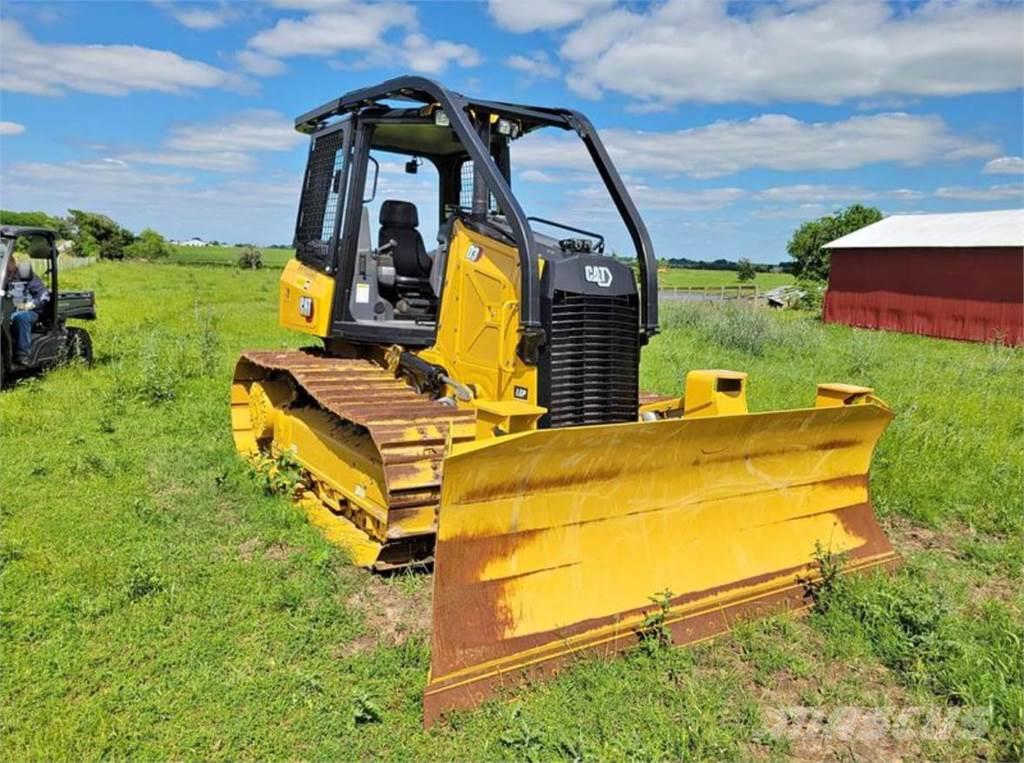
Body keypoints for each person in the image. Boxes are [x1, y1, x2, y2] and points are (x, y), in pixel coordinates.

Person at [5, 257, 50, 365]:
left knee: (21, 317)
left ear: (12, 263)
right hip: (7, 311)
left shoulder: (26, 275)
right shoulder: (3, 277)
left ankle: (23, 354)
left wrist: (30, 305)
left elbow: (44, 295)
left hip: (28, 311)